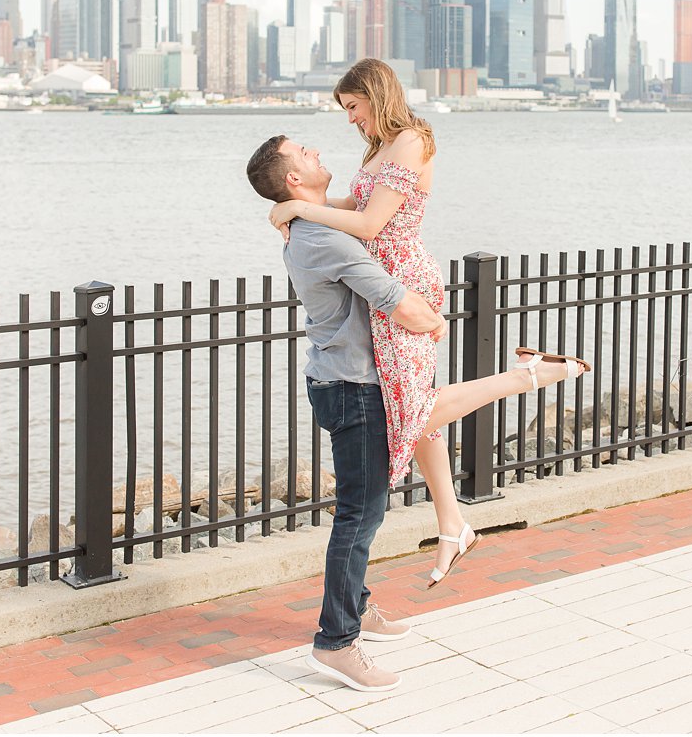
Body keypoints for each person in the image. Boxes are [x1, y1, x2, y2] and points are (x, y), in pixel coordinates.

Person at [246, 133, 589, 691]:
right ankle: (335, 642)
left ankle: (357, 607)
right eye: (305, 152)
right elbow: (393, 298)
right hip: (355, 388)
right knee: (361, 516)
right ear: (292, 178)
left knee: (370, 498)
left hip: (346, 379)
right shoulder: (323, 239)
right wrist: (431, 320)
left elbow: (366, 221)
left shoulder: (308, 226)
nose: (316, 151)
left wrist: (299, 209)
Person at [263, 59, 589, 590]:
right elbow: (354, 204)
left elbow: (371, 224)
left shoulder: (411, 140)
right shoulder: (381, 147)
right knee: (415, 408)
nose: (349, 120)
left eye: (352, 107)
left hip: (402, 278)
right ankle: (453, 524)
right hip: (381, 276)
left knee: (410, 406)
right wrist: (292, 208)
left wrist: (299, 211)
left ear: (373, 95)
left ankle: (531, 376)